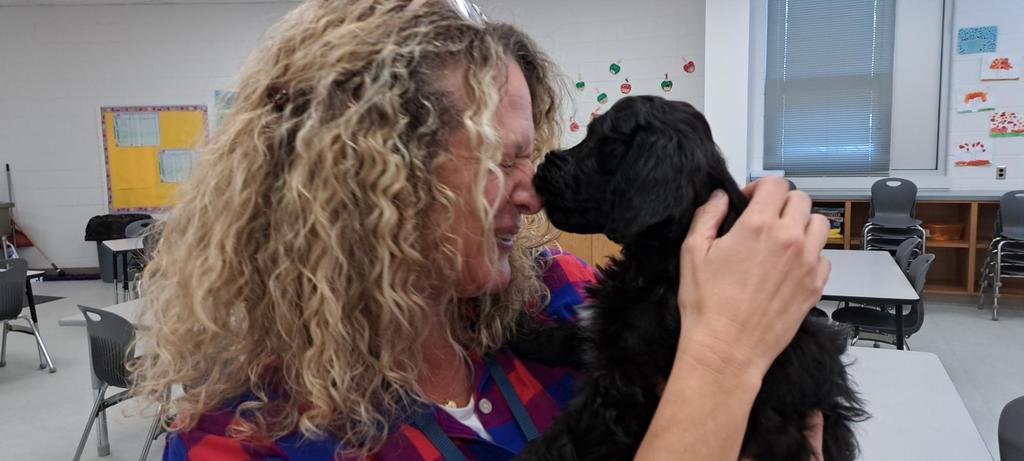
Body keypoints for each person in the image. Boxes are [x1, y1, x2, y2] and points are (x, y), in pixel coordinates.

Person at [131, 0, 831, 459]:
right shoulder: (243, 436)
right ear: (372, 182)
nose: (532, 196)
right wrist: (719, 361)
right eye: (506, 160)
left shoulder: (556, 293)